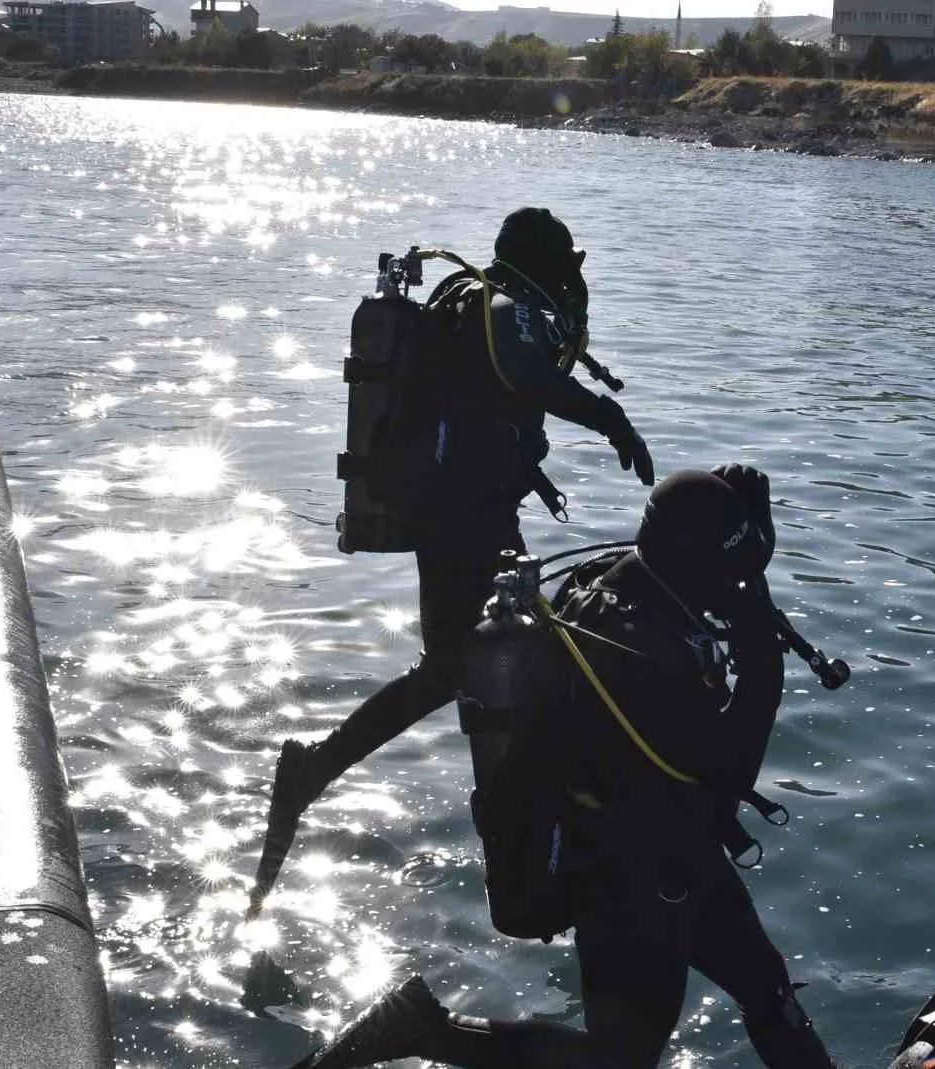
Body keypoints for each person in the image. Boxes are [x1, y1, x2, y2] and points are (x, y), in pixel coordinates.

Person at [288, 465, 837, 1069]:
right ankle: (424, 1030)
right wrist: (764, 666)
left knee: (767, 990)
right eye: (727, 574)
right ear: (696, 565)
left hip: (676, 853)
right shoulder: (645, 657)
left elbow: (718, 565)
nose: (735, 590)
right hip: (628, 880)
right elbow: (725, 778)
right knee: (619, 1059)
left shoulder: (621, 582)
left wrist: (746, 527)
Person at [247, 207, 655, 918]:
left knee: (483, 664)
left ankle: (331, 773)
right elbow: (525, 374)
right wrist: (608, 417)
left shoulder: (472, 306)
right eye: (565, 266)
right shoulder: (499, 306)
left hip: (471, 512)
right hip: (460, 522)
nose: (571, 283)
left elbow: (492, 402)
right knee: (501, 660)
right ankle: (524, 839)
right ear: (544, 265)